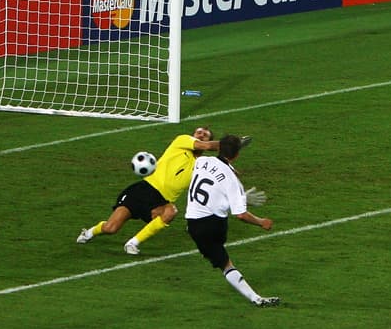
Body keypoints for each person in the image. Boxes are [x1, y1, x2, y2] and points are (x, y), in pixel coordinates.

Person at [77, 127, 254, 255]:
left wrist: (239, 195)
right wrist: (233, 144)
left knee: (171, 211)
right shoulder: (182, 141)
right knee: (111, 227)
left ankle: (133, 243)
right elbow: (206, 147)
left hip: (161, 200)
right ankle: (90, 232)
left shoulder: (203, 164)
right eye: (199, 132)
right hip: (143, 190)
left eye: (205, 134)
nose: (201, 134)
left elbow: (218, 182)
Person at [183, 134, 280, 308]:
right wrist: (261, 221)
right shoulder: (232, 180)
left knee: (220, 258)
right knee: (225, 264)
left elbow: (211, 173)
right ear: (236, 156)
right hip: (212, 226)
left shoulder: (201, 161)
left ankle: (255, 297)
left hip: (192, 222)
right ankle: (255, 298)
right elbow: (241, 215)